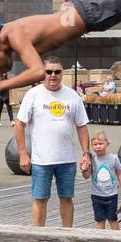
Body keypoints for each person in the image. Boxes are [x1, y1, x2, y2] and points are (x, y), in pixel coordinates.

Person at [16, 56, 90, 228]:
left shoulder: (72, 95)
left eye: (57, 72)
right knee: (40, 199)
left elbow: (82, 126)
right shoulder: (33, 94)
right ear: (44, 73)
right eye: (49, 71)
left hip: (66, 159)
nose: (53, 75)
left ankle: (67, 237)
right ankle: (38, 239)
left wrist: (86, 153)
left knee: (66, 198)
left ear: (62, 73)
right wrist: (22, 154)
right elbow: (19, 125)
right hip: (42, 160)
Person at [85, 131, 121, 230]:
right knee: (99, 220)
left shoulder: (114, 158)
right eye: (95, 144)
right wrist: (84, 169)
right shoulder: (91, 159)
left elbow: (120, 174)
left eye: (101, 144)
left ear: (107, 144)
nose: (98, 147)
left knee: (112, 219)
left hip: (111, 195)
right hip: (96, 195)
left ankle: (117, 240)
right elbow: (87, 175)